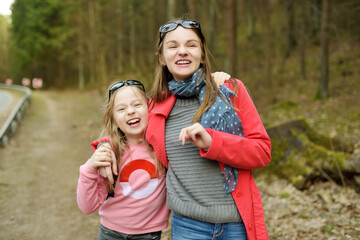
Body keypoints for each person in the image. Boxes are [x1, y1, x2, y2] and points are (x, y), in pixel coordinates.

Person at [145, 19, 271, 240]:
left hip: (236, 225)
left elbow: (262, 152)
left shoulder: (229, 91)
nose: (182, 52)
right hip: (187, 227)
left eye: (191, 45)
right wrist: (105, 146)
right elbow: (124, 135)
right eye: (173, 46)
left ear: (202, 54)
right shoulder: (155, 106)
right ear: (162, 59)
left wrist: (213, 143)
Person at [76, 80, 168, 240]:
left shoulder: (162, 146)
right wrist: (89, 168)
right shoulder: (110, 153)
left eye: (137, 105)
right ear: (113, 118)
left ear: (150, 108)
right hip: (110, 233)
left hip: (149, 235)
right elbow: (87, 207)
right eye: (121, 109)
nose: (131, 111)